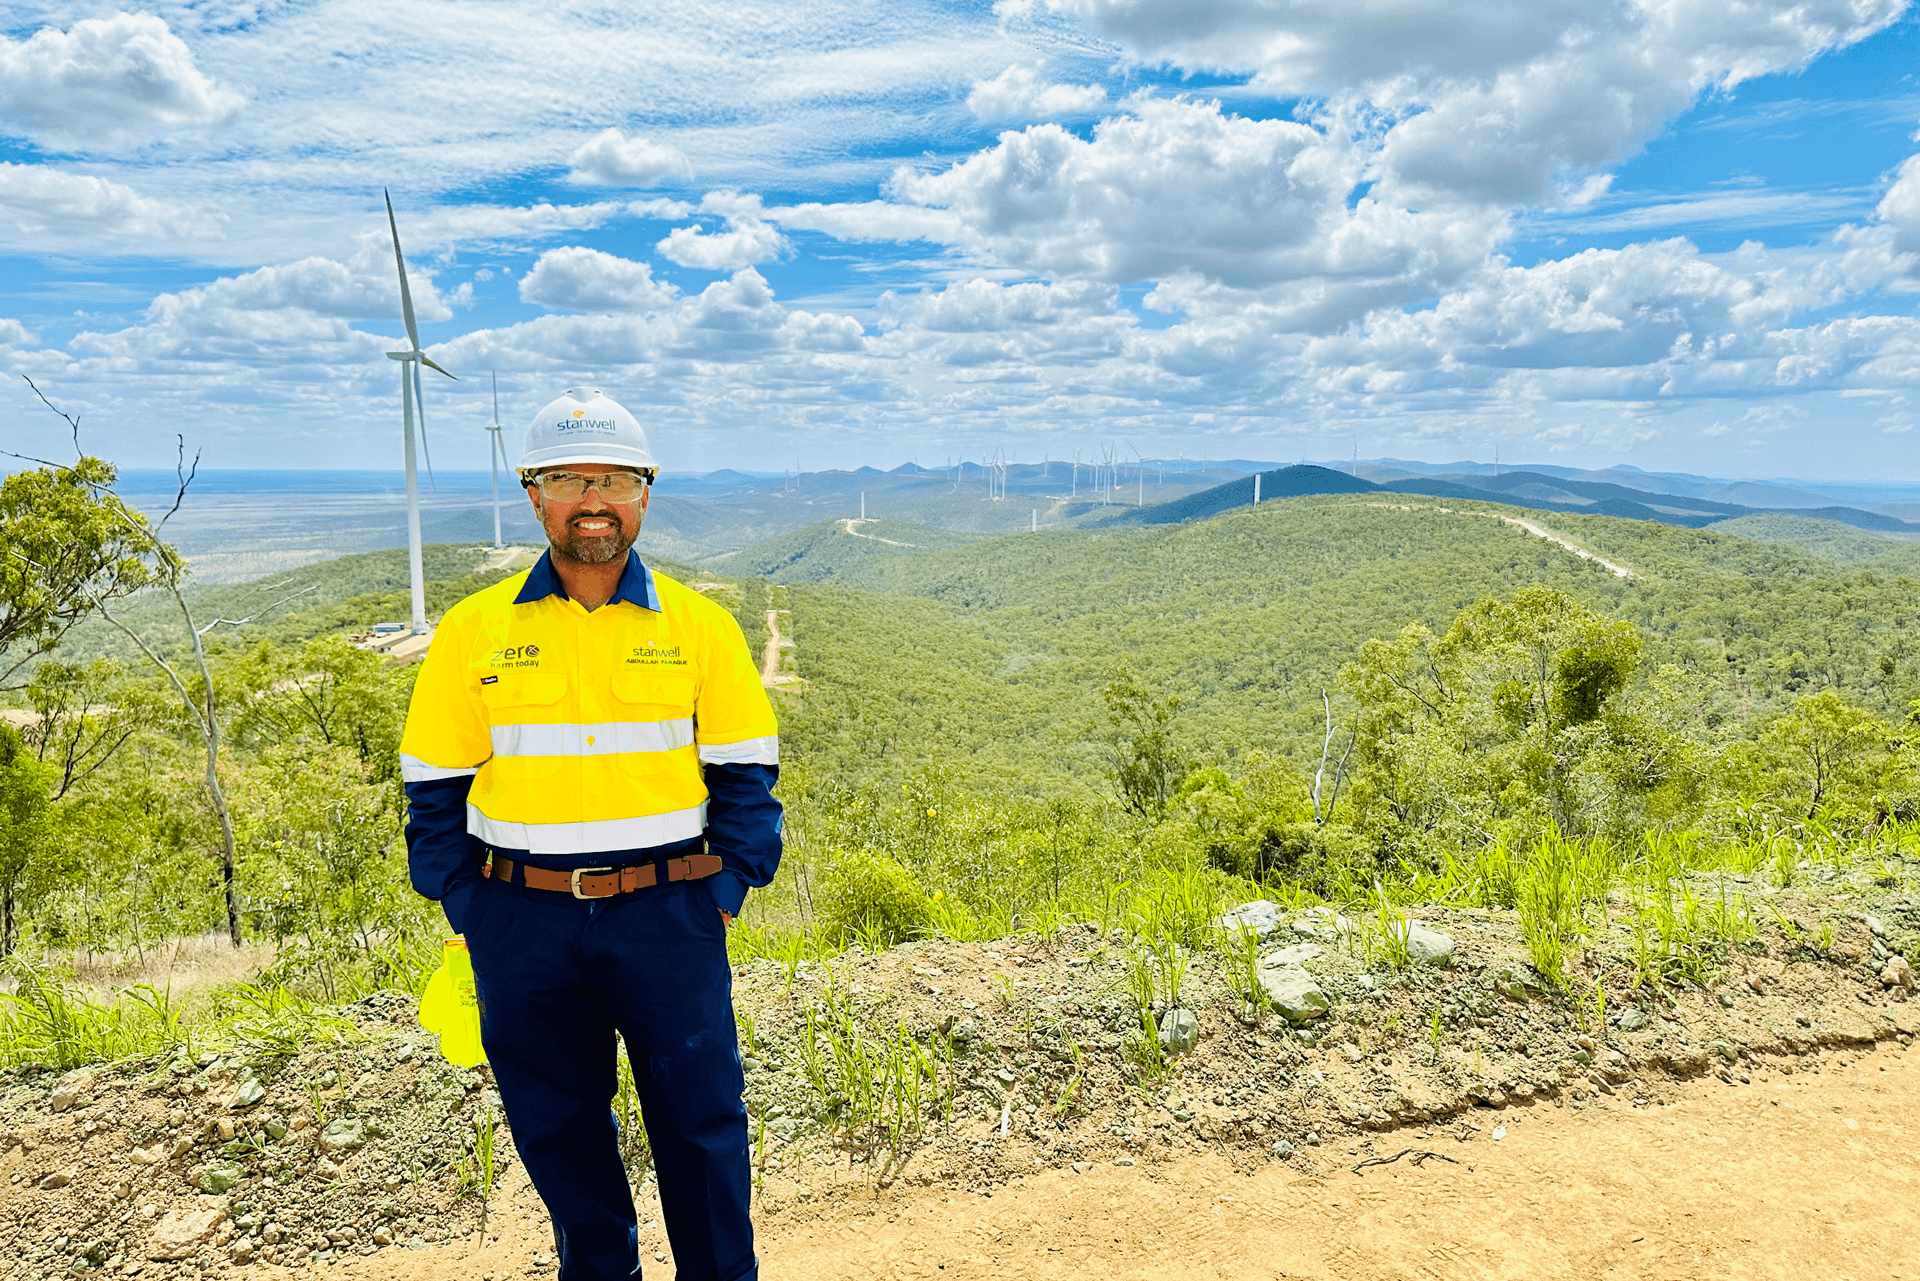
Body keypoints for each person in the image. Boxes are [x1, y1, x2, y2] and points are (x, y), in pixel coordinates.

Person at [399, 388, 780, 1281]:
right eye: (569, 478)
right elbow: (432, 789)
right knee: (559, 1131)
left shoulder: (699, 626)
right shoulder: (473, 630)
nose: (592, 497)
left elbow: (746, 779)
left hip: (670, 915)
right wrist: (468, 907)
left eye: (612, 476)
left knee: (702, 1125)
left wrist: (721, 894)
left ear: (645, 492)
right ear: (534, 495)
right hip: (520, 922)